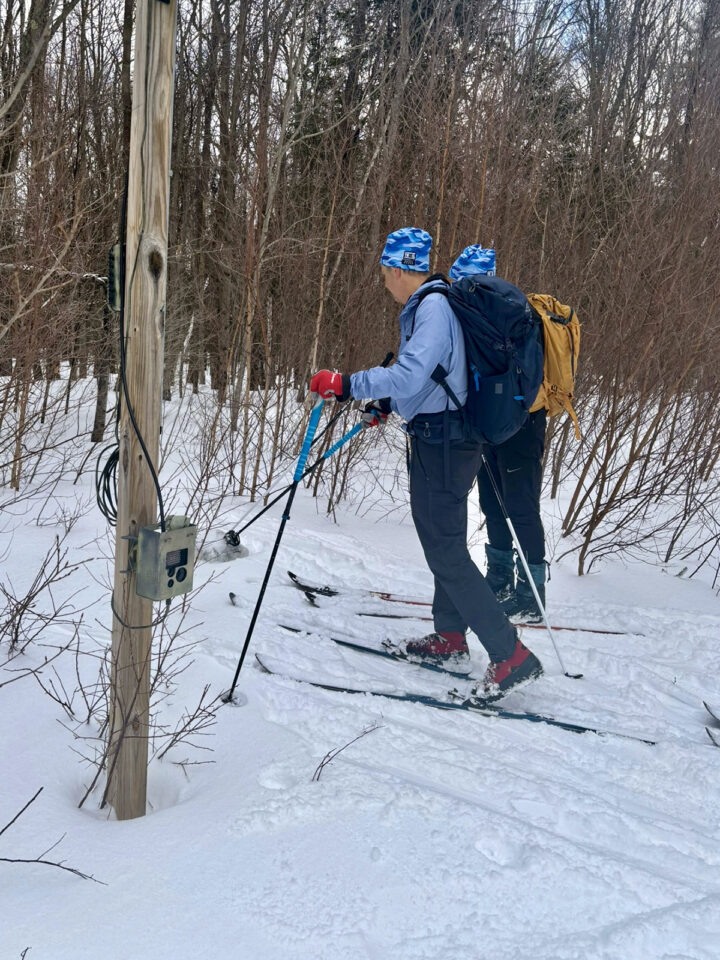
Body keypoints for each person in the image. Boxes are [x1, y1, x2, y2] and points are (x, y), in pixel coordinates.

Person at [309, 228, 542, 699]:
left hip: (445, 441)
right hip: (440, 436)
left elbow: (412, 371)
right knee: (445, 542)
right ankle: (450, 638)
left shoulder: (433, 305)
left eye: (384, 271)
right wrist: (390, 403)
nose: (383, 281)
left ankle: (510, 654)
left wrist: (348, 383)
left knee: (446, 550)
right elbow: (432, 375)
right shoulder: (432, 305)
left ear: (398, 268)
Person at [449, 244, 547, 624]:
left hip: (523, 422)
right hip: (493, 421)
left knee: (521, 506)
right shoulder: (485, 317)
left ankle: (532, 595)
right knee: (492, 503)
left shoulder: (515, 316)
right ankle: (500, 578)